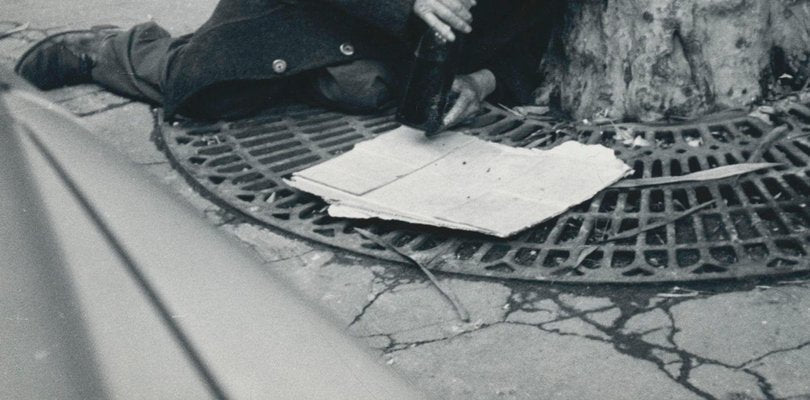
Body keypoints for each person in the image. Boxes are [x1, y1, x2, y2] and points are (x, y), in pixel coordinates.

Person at [16, 0, 550, 126]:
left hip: (391, 47)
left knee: (367, 91)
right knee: (210, 91)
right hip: (314, 10)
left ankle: (328, 71)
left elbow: (536, 36)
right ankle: (109, 48)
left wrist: (481, 81)